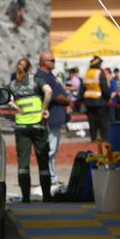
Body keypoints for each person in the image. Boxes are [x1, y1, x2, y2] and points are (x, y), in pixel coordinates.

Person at [9, 58, 53, 203]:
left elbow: (4, 97)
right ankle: (46, 196)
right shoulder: (36, 80)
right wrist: (44, 109)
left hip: (21, 127)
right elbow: (49, 91)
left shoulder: (14, 84)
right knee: (43, 161)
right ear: (30, 69)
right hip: (38, 126)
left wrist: (14, 106)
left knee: (23, 164)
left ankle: (26, 197)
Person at [35, 51, 71, 193]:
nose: (54, 62)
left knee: (53, 149)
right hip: (50, 118)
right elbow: (55, 96)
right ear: (44, 62)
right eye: (52, 60)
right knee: (50, 150)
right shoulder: (42, 76)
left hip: (55, 117)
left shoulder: (49, 75)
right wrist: (67, 100)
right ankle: (50, 177)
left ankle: (52, 176)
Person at [80, 56, 111, 142]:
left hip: (88, 101)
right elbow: (104, 87)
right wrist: (108, 97)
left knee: (92, 121)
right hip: (100, 100)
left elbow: (82, 88)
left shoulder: (87, 73)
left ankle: (93, 138)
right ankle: (104, 138)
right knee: (102, 121)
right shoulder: (99, 73)